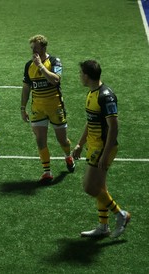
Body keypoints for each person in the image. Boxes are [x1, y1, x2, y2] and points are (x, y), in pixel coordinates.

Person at [73, 60, 130, 238]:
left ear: (87, 76)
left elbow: (113, 127)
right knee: (100, 187)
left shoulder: (106, 96)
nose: (79, 76)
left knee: (90, 187)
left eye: (81, 73)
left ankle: (121, 214)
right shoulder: (92, 93)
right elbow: (90, 122)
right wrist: (80, 144)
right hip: (94, 146)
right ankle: (103, 227)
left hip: (103, 148)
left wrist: (105, 154)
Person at [20, 34, 75, 183]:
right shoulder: (28, 65)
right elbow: (26, 88)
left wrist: (41, 66)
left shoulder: (54, 61)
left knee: (62, 140)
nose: (33, 51)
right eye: (32, 48)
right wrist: (22, 107)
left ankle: (68, 156)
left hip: (55, 107)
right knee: (40, 140)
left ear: (44, 47)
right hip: (38, 108)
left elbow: (55, 80)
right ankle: (47, 172)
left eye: (36, 48)